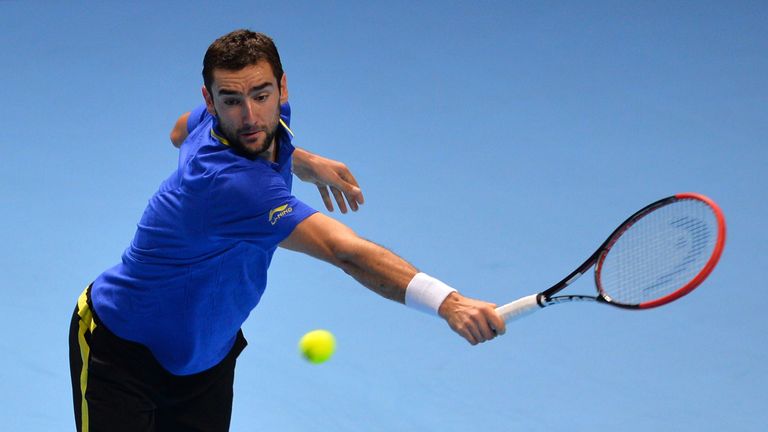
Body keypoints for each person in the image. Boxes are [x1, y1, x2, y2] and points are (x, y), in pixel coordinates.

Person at [69, 29, 505, 432]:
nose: (250, 115)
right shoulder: (229, 185)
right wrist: (448, 302)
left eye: (261, 95)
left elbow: (179, 130)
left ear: (282, 87)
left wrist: (305, 162)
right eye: (231, 101)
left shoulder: (238, 121)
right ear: (211, 97)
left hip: (206, 359)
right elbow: (343, 251)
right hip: (121, 352)